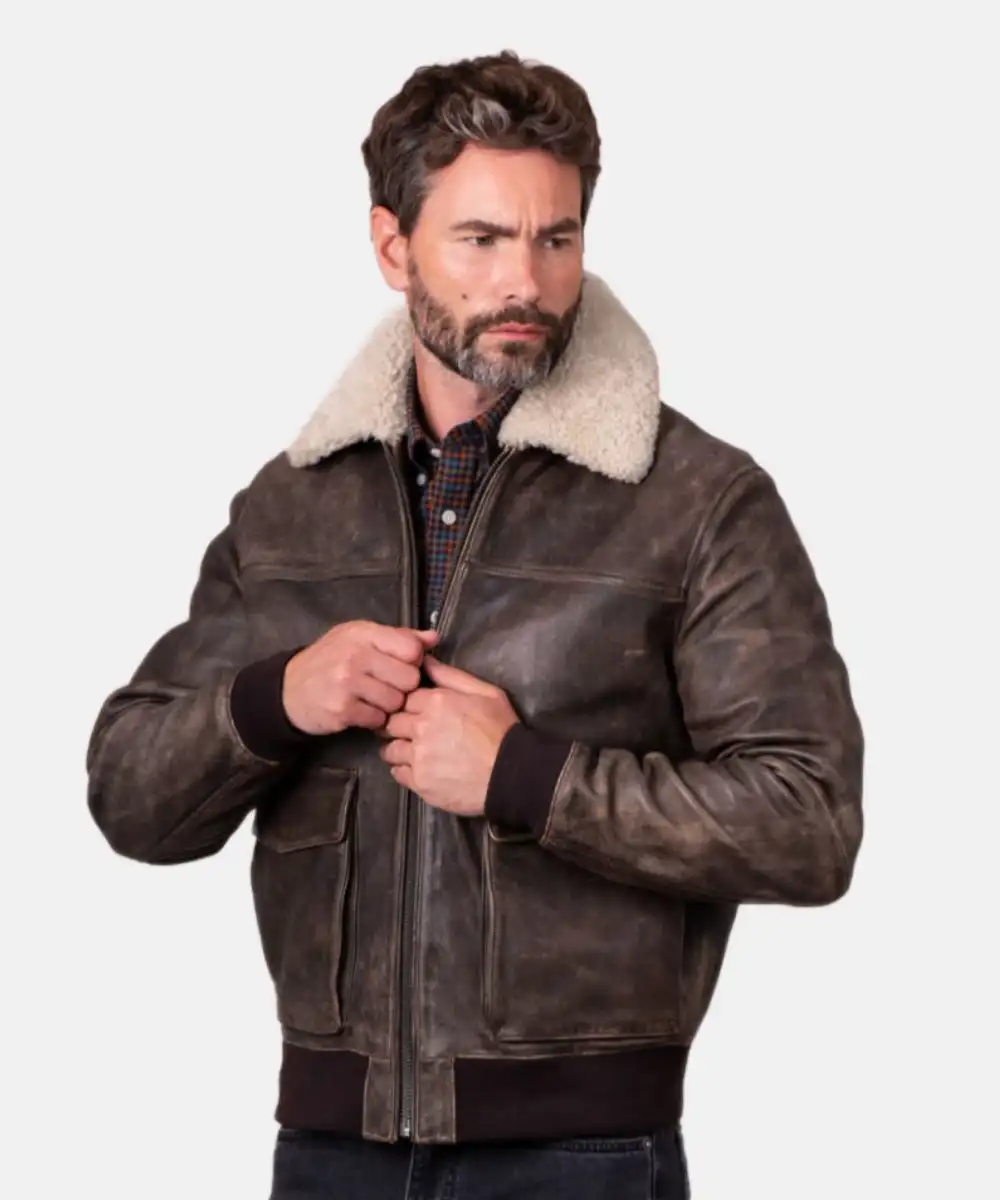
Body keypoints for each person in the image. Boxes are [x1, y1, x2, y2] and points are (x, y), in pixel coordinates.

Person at [86, 49, 865, 1200]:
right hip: (331, 1152)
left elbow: (808, 821)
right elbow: (130, 795)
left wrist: (528, 777)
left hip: (582, 1155)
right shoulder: (290, 507)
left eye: (556, 238)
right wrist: (275, 699)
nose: (526, 282)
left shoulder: (698, 500)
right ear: (391, 246)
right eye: (482, 239)